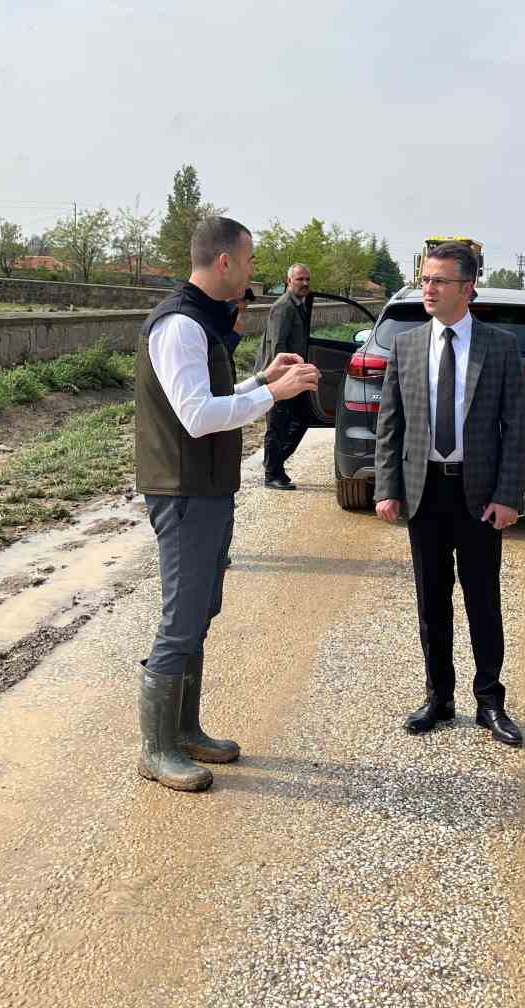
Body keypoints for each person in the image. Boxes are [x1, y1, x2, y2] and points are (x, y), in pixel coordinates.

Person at [134, 218, 319, 793]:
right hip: (184, 489)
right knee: (180, 618)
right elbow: (196, 416)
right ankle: (157, 749)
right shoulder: (179, 327)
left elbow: (213, 398)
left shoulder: (199, 324)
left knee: (200, 612)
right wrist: (273, 395)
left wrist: (261, 378)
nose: (251, 273)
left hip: (208, 489)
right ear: (223, 263)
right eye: (248, 262)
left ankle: (185, 732)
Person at [373, 243, 525, 747]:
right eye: (425, 279)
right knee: (431, 602)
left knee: (483, 600)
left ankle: (490, 701)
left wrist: (509, 496)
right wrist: (387, 488)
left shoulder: (500, 347)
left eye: (440, 281)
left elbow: (517, 428)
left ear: (467, 288)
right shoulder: (408, 345)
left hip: (479, 494)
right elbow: (390, 424)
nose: (428, 288)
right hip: (425, 494)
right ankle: (439, 697)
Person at [258, 264, 316, 490]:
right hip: (282, 378)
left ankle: (275, 464)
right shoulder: (283, 307)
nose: (305, 283)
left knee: (302, 418)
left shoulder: (299, 305)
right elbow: (277, 346)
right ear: (288, 281)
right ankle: (272, 473)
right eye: (300, 279)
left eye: (308, 279)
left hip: (294, 376)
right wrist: (279, 381)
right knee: (278, 425)